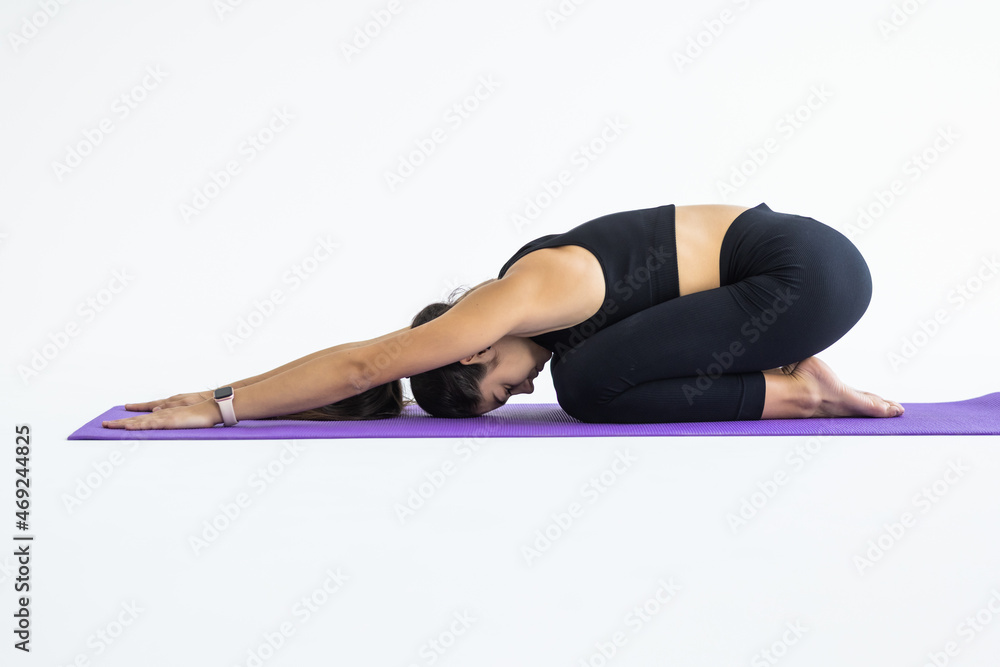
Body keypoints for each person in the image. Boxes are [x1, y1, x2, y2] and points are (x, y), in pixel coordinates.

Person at [103, 202, 904, 431]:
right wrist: (224, 389)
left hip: (805, 276)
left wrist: (221, 405)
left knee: (588, 387)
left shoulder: (518, 297)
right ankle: (797, 378)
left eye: (500, 389)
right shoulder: (537, 302)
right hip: (796, 277)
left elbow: (365, 363)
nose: (522, 392)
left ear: (471, 347)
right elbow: (366, 370)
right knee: (593, 373)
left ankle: (806, 392)